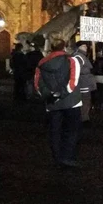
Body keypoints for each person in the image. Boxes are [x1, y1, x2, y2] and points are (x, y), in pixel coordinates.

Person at [34, 39, 82, 167]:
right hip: (71, 102)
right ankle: (67, 156)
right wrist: (61, 94)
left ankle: (57, 156)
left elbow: (38, 83)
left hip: (52, 103)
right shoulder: (72, 60)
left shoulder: (42, 63)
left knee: (55, 130)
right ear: (64, 47)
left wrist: (49, 94)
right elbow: (73, 81)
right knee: (71, 131)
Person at [73, 42, 96, 125]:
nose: (86, 47)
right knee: (85, 101)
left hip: (85, 82)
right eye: (83, 46)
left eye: (86, 46)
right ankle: (84, 119)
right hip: (83, 83)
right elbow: (76, 69)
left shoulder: (82, 56)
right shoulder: (78, 56)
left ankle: (84, 117)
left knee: (86, 100)